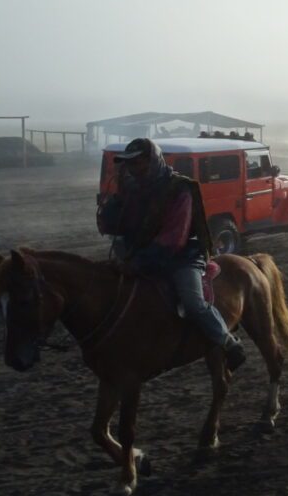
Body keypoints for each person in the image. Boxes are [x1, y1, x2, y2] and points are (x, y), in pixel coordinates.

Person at [96, 138, 245, 370]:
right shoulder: (133, 190)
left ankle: (228, 342)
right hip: (142, 254)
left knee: (193, 301)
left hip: (181, 256)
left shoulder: (178, 190)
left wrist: (137, 263)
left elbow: (173, 239)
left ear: (152, 161)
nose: (133, 169)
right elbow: (113, 227)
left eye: (137, 163)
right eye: (129, 164)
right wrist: (114, 204)